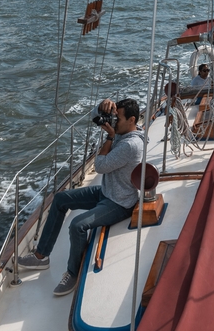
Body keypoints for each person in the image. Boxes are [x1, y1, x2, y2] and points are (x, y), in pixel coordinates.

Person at [17, 98, 144, 296]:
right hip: (106, 192)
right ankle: (41, 256)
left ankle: (72, 273)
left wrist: (110, 137)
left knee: (77, 225)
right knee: (60, 199)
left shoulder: (130, 144)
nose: (113, 120)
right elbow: (95, 116)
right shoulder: (124, 129)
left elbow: (100, 166)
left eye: (117, 118)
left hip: (119, 202)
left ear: (132, 120)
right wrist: (102, 105)